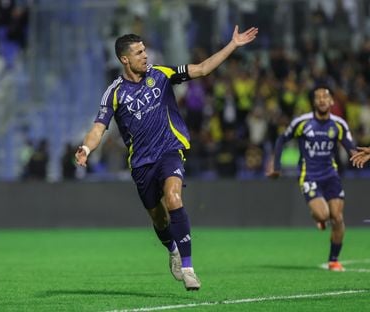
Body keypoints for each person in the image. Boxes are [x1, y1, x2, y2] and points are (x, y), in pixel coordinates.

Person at [75, 26, 258, 290]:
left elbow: (203, 69)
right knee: (159, 219)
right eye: (138, 53)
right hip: (141, 163)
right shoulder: (114, 93)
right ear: (124, 59)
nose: (145, 56)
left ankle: (188, 267)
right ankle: (172, 249)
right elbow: (98, 128)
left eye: (145, 50)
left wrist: (233, 45)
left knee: (174, 198)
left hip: (170, 150)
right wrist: (86, 148)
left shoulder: (160, 74)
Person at [266, 86, 356, 272]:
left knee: (338, 218)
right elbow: (282, 139)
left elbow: (351, 148)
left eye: (326, 97)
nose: (322, 100)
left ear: (332, 102)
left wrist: (359, 155)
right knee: (324, 215)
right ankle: (320, 218)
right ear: (314, 102)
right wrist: (276, 167)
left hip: (331, 175)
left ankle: (333, 260)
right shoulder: (302, 122)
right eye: (318, 97)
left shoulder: (339, 124)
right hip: (310, 175)